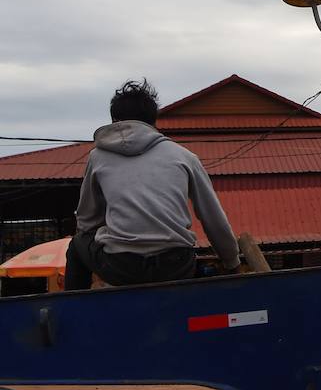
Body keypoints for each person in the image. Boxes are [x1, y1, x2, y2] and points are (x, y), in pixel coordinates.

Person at [66, 79, 241, 290]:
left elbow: (87, 220)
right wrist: (232, 263)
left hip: (122, 267)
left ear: (114, 120)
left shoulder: (98, 157)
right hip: (175, 265)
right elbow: (213, 218)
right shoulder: (184, 157)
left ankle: (78, 314)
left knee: (76, 246)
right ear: (153, 121)